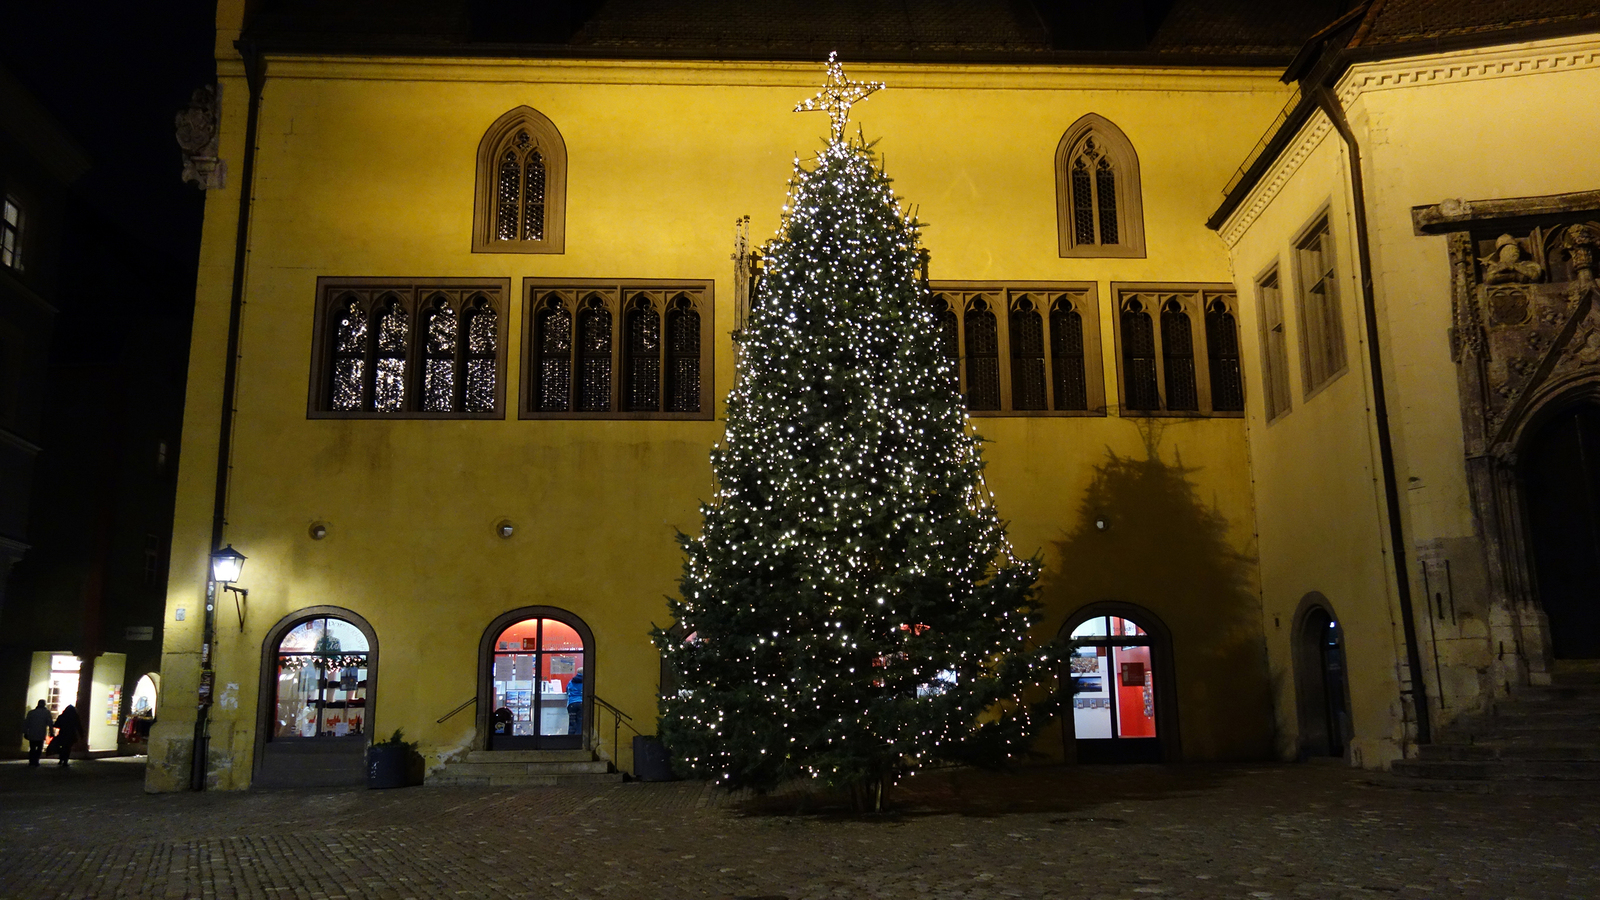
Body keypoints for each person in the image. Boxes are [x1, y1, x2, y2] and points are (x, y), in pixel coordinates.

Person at [23, 700, 53, 767]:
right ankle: (36, 761)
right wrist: (51, 732)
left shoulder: (31, 713)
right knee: (39, 748)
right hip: (41, 733)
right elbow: (50, 723)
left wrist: (25, 732)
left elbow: (26, 723)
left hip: (32, 732)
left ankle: (31, 761)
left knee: (32, 748)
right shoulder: (46, 713)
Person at [566, 672, 583, 736]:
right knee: (580, 723)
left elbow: (567, 690)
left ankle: (570, 739)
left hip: (571, 703)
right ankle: (578, 740)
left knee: (572, 722)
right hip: (581, 703)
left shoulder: (571, 681)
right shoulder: (586, 681)